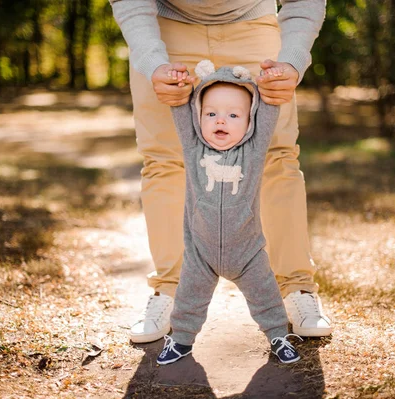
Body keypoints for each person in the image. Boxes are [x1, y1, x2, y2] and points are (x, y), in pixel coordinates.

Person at [108, 0, 332, 344]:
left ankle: (297, 288)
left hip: (254, 26)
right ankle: (170, 291)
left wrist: (292, 60)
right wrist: (153, 62)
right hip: (166, 30)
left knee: (276, 157)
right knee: (164, 161)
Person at [157, 61, 302, 365]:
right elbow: (180, 108)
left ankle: (278, 335)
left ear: (250, 121)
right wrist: (180, 85)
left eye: (233, 115)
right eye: (211, 113)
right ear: (198, 117)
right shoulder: (194, 147)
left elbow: (269, 110)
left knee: (266, 295)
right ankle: (181, 339)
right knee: (189, 298)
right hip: (201, 251)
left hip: (247, 252)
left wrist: (268, 83)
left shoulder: (253, 150)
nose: (220, 120)